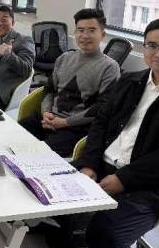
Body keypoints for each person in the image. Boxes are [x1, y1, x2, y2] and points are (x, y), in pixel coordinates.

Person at [29, 17, 159, 248]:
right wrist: (89, 164)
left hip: (151, 184)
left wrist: (124, 179)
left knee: (105, 237)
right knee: (41, 194)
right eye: (152, 45)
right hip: (103, 165)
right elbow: (101, 124)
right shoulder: (130, 81)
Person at [19, 9, 120, 157]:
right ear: (75, 32)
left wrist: (64, 122)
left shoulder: (109, 67)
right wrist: (45, 112)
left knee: (36, 155)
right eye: (81, 30)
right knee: (12, 137)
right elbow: (49, 89)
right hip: (48, 119)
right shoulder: (64, 58)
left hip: (76, 128)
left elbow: (102, 107)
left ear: (102, 35)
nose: (85, 36)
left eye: (92, 30)